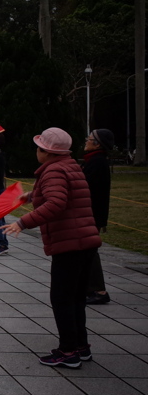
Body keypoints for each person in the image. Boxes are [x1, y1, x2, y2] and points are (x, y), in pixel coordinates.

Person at [3, 128, 101, 368]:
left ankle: (68, 352)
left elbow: (56, 202)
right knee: (76, 297)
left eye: (38, 148)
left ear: (45, 152)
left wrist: (22, 222)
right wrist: (31, 196)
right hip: (85, 240)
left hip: (70, 243)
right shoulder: (70, 166)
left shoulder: (54, 170)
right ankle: (81, 346)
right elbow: (62, 194)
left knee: (62, 298)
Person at [83, 129, 114, 305]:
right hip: (92, 214)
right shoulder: (93, 160)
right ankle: (89, 288)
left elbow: (89, 188)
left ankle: (99, 290)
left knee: (89, 251)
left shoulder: (97, 162)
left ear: (97, 144)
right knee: (86, 251)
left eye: (89, 139)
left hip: (92, 214)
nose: (86, 141)